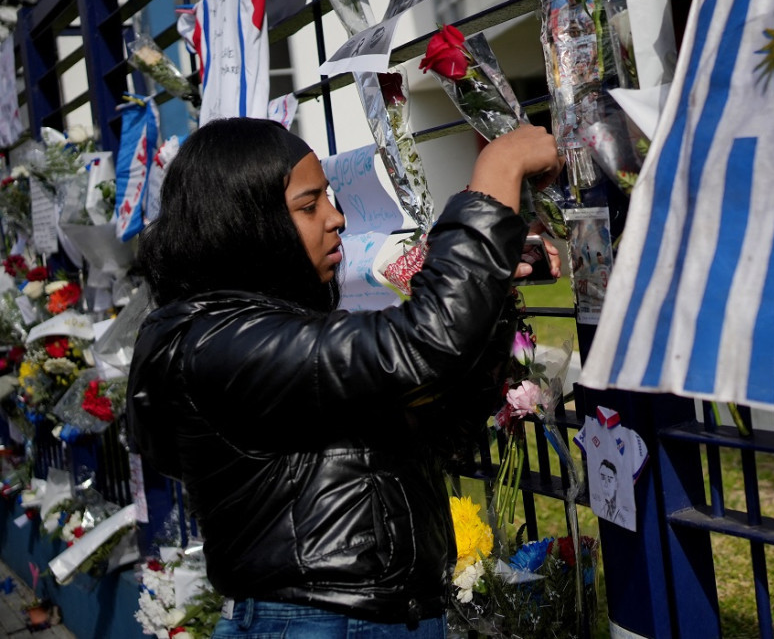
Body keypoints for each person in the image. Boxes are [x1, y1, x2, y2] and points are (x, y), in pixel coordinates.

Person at [127, 117, 562, 638]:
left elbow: (441, 431)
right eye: (309, 207)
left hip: (381, 616)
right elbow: (421, 345)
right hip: (319, 623)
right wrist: (498, 168)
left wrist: (488, 294)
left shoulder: (264, 333)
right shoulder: (213, 342)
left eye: (330, 200)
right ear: (241, 223)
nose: (336, 219)